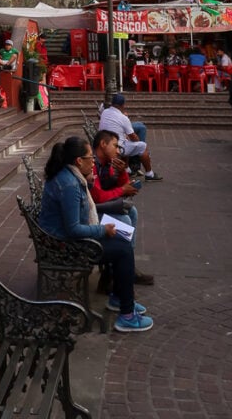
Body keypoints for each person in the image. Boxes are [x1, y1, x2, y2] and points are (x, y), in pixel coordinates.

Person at [38, 135, 153, 332]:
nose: (93, 162)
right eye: (90, 158)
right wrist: (102, 229)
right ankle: (126, 314)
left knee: (123, 235)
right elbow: (73, 229)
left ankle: (119, 297)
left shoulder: (71, 176)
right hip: (66, 246)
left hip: (68, 236)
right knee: (124, 249)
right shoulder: (70, 184)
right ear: (78, 161)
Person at [91, 130, 154, 286]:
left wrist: (121, 173)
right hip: (92, 213)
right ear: (103, 144)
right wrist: (122, 190)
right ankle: (121, 267)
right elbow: (97, 196)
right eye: (115, 146)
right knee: (124, 219)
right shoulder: (91, 164)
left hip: (97, 207)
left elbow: (119, 187)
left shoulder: (107, 163)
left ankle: (124, 266)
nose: (118, 150)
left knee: (132, 212)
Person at [98, 94, 163, 181]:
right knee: (142, 146)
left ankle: (127, 169)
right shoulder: (123, 118)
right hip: (117, 148)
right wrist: (137, 142)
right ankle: (149, 174)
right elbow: (133, 137)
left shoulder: (105, 112)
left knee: (126, 140)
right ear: (123, 105)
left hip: (103, 145)